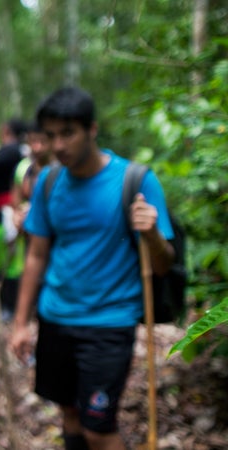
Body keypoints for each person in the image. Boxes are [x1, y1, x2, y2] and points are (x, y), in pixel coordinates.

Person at [9, 87, 175, 450]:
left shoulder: (136, 180)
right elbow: (36, 255)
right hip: (56, 318)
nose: (58, 145)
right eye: (50, 136)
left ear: (92, 130)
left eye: (68, 133)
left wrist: (150, 235)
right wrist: (21, 323)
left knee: (98, 427)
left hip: (108, 325)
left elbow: (163, 264)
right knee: (69, 414)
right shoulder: (49, 183)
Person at [0, 118, 28, 320]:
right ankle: (5, 304)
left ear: (7, 130)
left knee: (10, 264)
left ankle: (8, 305)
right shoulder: (17, 153)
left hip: (4, 215)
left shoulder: (12, 152)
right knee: (6, 262)